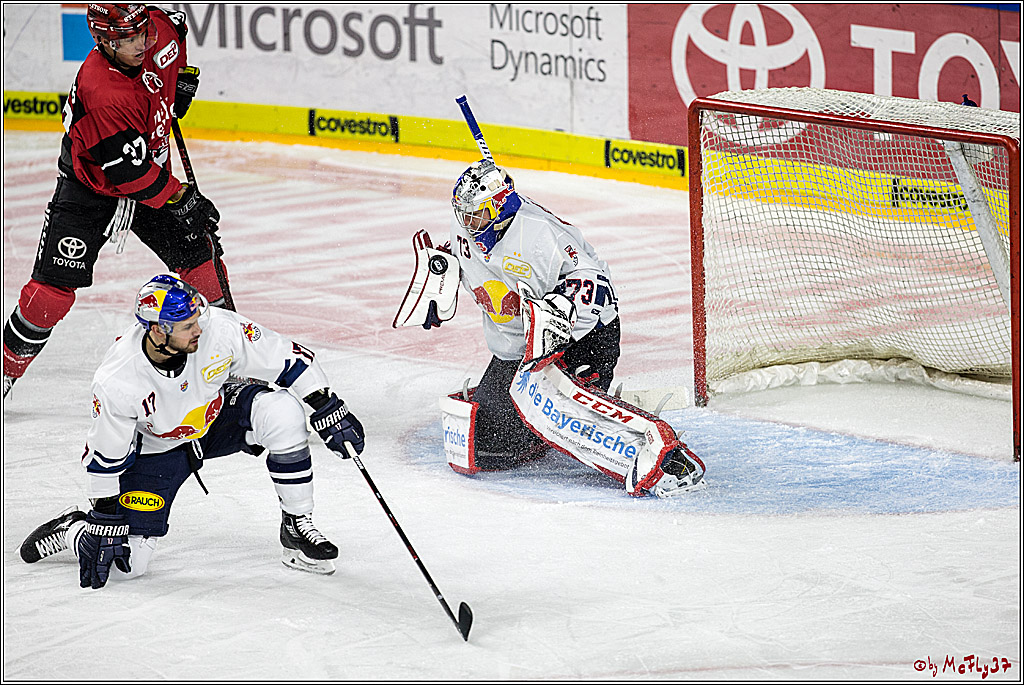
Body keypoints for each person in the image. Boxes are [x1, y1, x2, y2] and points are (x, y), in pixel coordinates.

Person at [18, 274, 366, 586]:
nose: (198, 328)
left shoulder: (218, 329)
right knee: (129, 565)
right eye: (186, 325)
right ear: (157, 329)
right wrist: (103, 516)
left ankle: (296, 525)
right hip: (158, 449)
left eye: (197, 318)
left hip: (215, 421)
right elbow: (105, 454)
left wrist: (326, 405)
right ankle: (71, 530)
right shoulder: (119, 379)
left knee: (282, 411)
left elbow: (288, 357)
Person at [426, 159, 703, 496]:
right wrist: (440, 275)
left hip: (582, 341)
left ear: (499, 207)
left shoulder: (541, 236)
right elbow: (456, 258)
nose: (467, 223)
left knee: (561, 413)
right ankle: (542, 423)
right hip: (522, 351)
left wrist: (559, 312)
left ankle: (664, 456)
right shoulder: (468, 235)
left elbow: (596, 286)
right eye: (463, 214)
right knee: (490, 444)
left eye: (475, 214)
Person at [3, 4, 229, 399]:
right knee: (52, 292)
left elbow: (176, 36)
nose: (139, 44)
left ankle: (229, 358)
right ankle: (5, 369)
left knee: (201, 257)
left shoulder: (159, 31)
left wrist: (178, 87)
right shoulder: (103, 89)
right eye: (126, 40)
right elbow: (129, 175)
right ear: (102, 41)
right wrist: (183, 199)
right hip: (93, 187)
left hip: (150, 169)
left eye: (141, 33)